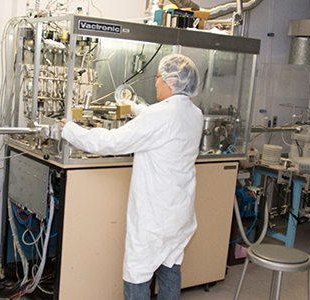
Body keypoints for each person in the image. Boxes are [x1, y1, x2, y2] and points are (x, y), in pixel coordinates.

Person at [60, 53, 203, 300]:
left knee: (138, 272)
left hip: (153, 217)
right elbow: (160, 120)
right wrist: (135, 106)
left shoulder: (158, 117)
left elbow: (110, 142)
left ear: (170, 82)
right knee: (170, 266)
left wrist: (70, 130)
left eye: (158, 77)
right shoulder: (195, 114)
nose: (156, 82)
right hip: (180, 213)